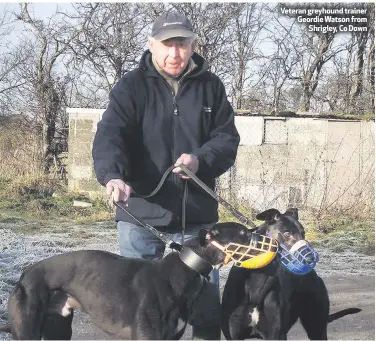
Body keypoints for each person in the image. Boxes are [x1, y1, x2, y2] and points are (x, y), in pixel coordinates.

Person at [92, 11, 240, 340]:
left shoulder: (211, 87)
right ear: (152, 45)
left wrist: (201, 160)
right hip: (141, 215)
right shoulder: (130, 87)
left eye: (182, 44)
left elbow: (226, 140)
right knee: (142, 312)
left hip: (199, 222)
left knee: (203, 313)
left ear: (193, 45)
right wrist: (112, 175)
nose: (174, 53)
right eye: (167, 44)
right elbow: (109, 137)